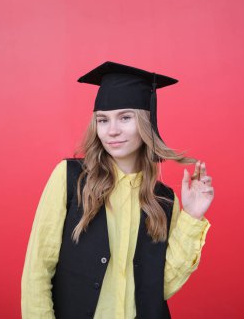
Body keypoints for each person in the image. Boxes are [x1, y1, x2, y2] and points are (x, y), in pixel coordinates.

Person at [21, 61, 214, 319]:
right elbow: (37, 271)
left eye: (125, 117)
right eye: (103, 120)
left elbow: (159, 289)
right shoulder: (69, 179)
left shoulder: (164, 200)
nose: (112, 131)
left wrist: (192, 216)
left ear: (146, 123)